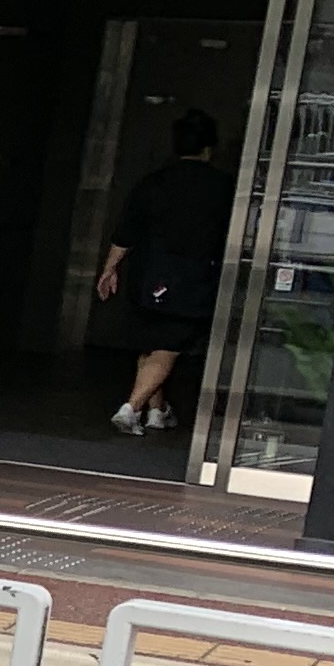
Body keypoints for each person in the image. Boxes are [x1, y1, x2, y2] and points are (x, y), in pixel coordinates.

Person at [95, 111, 234, 436]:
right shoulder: (223, 187)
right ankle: (131, 408)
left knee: (151, 343)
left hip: (148, 275)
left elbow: (126, 231)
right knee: (169, 345)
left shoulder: (153, 182)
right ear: (209, 148)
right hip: (193, 279)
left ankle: (157, 411)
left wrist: (110, 268)